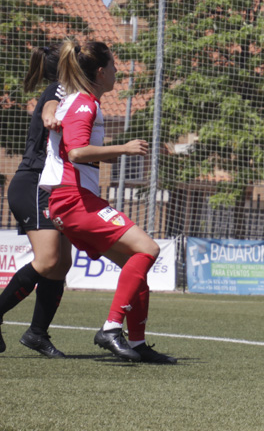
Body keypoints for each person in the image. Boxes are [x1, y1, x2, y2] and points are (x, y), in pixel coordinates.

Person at [38, 39, 174, 364]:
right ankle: (111, 328)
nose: (117, 72)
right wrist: (124, 148)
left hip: (67, 201)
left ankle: (138, 343)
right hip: (75, 200)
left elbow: (75, 150)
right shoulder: (85, 103)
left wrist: (118, 152)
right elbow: (77, 152)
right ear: (100, 72)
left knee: (134, 267)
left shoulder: (76, 101)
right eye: (113, 66)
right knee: (149, 249)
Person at [0, 46, 69, 358]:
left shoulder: (75, 93)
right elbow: (49, 110)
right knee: (49, 260)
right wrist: (51, 117)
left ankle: (36, 334)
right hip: (34, 183)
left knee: (61, 263)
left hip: (52, 186)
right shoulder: (59, 88)